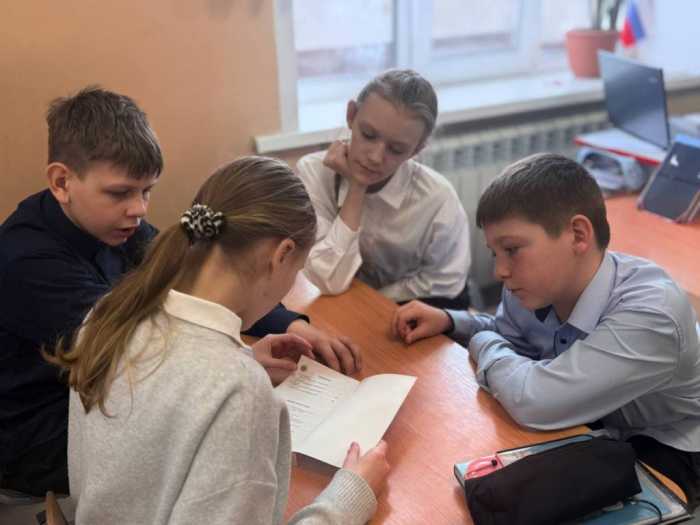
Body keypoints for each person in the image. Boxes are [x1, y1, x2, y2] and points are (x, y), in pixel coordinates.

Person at [0, 87, 359, 497]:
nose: (139, 209)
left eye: (146, 191)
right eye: (120, 193)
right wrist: (240, 363)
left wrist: (291, 323)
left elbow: (189, 272)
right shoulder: (25, 259)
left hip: (106, 397)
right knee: (237, 455)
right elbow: (131, 351)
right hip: (44, 431)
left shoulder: (114, 225)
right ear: (62, 182)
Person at [48, 156, 389, 524]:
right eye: (298, 269)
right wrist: (349, 497)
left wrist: (242, 358)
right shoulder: (239, 393)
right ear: (283, 254)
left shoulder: (108, 314)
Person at [393, 153, 700, 509]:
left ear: (578, 235)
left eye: (512, 250)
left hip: (669, 442)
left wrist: (481, 338)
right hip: (590, 419)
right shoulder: (534, 286)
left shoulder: (651, 313)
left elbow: (534, 400)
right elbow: (507, 342)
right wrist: (453, 322)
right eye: (495, 253)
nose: (500, 272)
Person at [296, 69, 470, 307]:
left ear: (416, 150)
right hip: (335, 301)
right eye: (368, 135)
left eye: (396, 150)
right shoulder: (314, 172)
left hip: (411, 305)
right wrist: (357, 188)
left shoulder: (438, 199)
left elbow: (446, 280)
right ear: (351, 115)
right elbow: (325, 278)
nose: (375, 158)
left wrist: (377, 299)